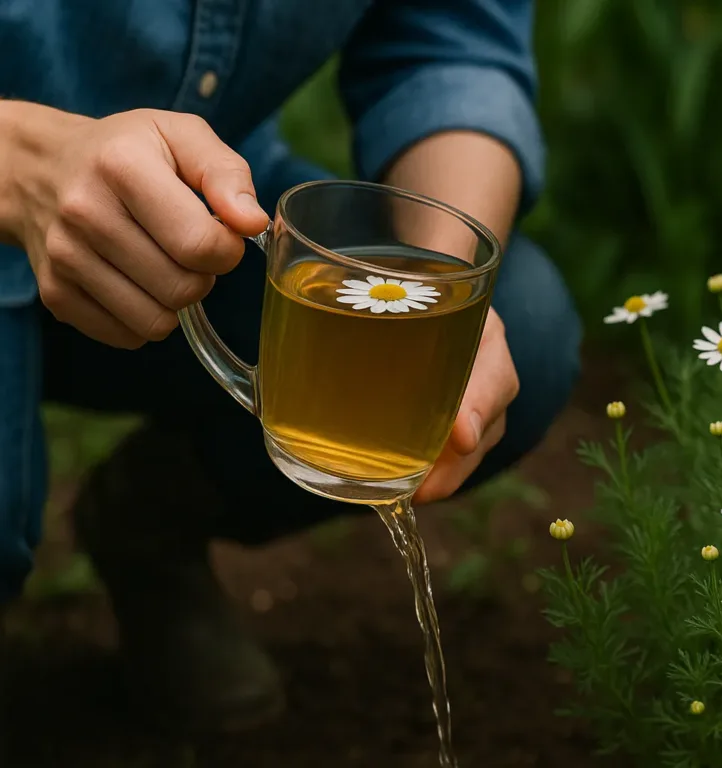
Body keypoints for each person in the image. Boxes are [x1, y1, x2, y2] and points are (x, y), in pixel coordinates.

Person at [0, 0, 580, 734]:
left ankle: (145, 521)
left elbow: (451, 44)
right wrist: (20, 165)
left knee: (520, 324)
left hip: (198, 231)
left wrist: (439, 301)